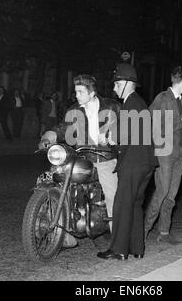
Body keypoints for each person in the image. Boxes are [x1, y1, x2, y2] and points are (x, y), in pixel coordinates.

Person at [38, 75, 121, 246]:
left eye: (80, 92)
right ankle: (63, 232)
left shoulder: (112, 107)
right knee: (59, 181)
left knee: (113, 196)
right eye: (75, 91)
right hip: (82, 156)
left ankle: (118, 238)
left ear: (92, 93)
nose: (76, 95)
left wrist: (112, 137)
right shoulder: (74, 110)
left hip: (104, 157)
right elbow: (61, 129)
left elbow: (126, 128)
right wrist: (47, 138)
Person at [97, 64, 158, 260]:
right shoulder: (140, 102)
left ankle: (119, 250)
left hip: (133, 163)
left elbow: (122, 136)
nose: (114, 88)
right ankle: (137, 248)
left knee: (122, 205)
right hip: (146, 163)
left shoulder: (130, 104)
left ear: (125, 83)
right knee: (135, 205)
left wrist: (109, 138)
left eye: (117, 84)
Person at [144, 66, 182, 245]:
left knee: (171, 194)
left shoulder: (180, 99)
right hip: (165, 151)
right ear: (181, 83)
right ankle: (143, 230)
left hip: (180, 151)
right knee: (162, 191)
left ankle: (164, 232)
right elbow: (158, 127)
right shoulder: (162, 98)